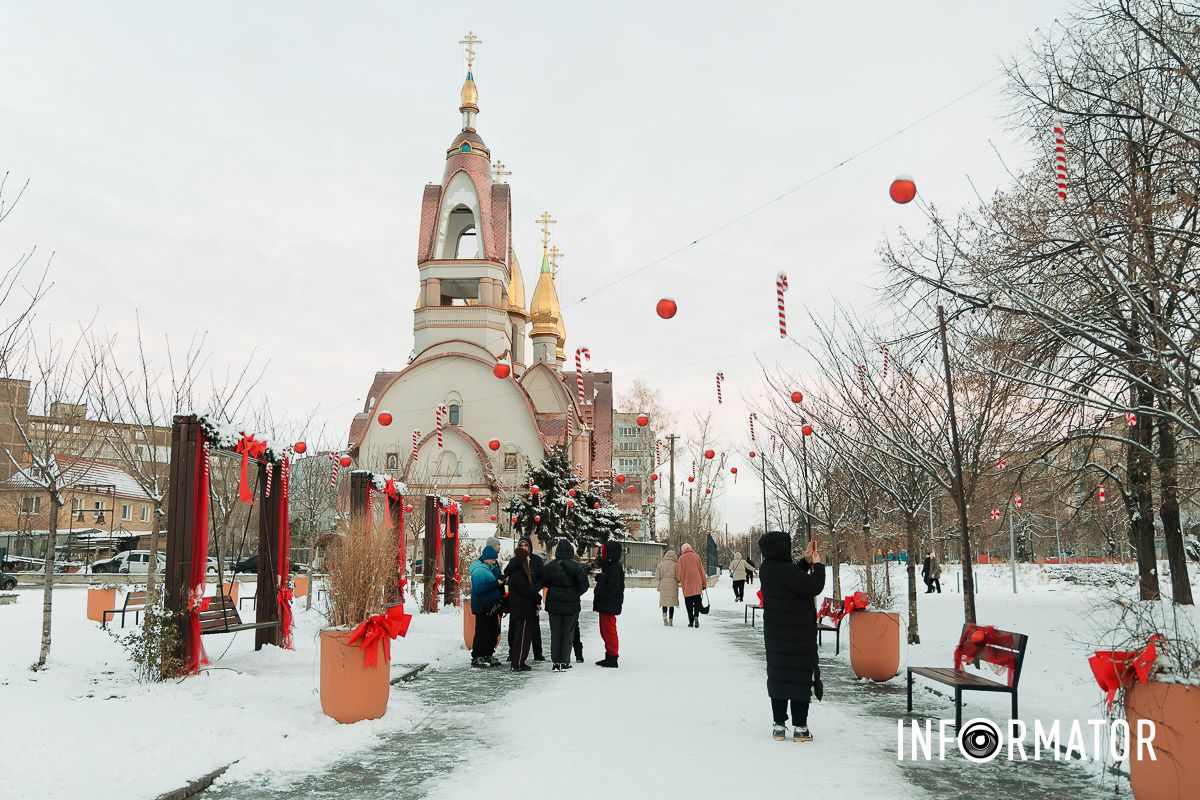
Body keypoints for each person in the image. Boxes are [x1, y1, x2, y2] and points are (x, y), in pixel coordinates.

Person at [759, 531, 825, 742]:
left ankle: (779, 725)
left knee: (778, 677)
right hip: (798, 635)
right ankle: (800, 728)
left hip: (776, 636)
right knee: (799, 679)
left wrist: (804, 563)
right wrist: (818, 565)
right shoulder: (788, 572)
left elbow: (792, 579)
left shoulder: (766, 569)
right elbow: (813, 586)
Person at [542, 538, 589, 671]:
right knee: (568, 632)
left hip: (554, 605)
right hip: (571, 605)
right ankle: (565, 660)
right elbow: (584, 586)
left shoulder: (550, 566)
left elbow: (544, 583)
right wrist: (574, 594)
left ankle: (556, 661)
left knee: (555, 633)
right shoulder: (576, 566)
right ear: (570, 551)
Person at [506, 536, 545, 661]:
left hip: (531, 597)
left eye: (526, 545)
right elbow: (510, 576)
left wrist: (534, 590)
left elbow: (542, 578)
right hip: (519, 598)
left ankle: (537, 652)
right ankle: (513, 653)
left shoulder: (536, 561)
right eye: (521, 546)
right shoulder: (515, 561)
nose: (523, 548)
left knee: (533, 627)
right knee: (514, 627)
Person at [469, 545, 504, 667]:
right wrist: (496, 583)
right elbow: (480, 588)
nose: (494, 562)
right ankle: (477, 655)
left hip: (490, 605)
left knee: (494, 630)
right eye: (493, 560)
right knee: (482, 631)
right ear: (486, 558)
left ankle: (488, 654)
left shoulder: (488, 568)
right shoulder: (479, 570)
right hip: (482, 606)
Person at [592, 540, 625, 667]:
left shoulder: (615, 568)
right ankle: (609, 655)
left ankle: (612, 656)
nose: (601, 554)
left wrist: (601, 595)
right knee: (605, 631)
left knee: (609, 631)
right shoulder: (610, 567)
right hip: (606, 605)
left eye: (603, 552)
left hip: (609, 605)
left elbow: (613, 587)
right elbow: (607, 579)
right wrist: (600, 578)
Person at [676, 542, 707, 628]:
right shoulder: (697, 556)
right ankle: (696, 616)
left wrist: (678, 579)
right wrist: (704, 583)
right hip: (697, 584)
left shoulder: (681, 558)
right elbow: (702, 571)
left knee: (688, 604)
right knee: (697, 602)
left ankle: (691, 621)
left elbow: (678, 574)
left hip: (687, 585)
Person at [655, 548, 680, 625]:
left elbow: (657, 577)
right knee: (671, 604)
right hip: (673, 586)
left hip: (664, 586)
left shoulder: (660, 565)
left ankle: (665, 619)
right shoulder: (676, 565)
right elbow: (679, 577)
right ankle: (671, 620)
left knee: (664, 602)